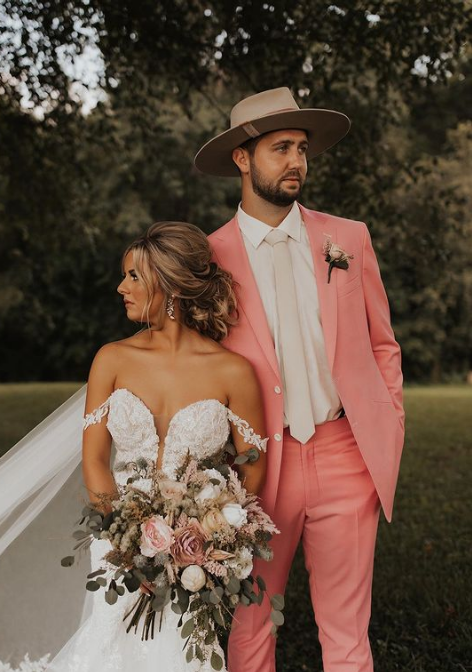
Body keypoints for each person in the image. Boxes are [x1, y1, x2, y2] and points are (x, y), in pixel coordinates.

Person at [0, 221, 268, 672]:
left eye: (133, 276)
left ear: (169, 283)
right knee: (111, 642)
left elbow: (252, 469)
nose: (121, 287)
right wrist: (129, 542)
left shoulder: (233, 372)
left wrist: (210, 532)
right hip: (119, 538)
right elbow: (95, 459)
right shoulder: (112, 360)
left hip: (197, 555)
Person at [195, 87, 405, 672]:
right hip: (255, 468)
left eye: (303, 149)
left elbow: (384, 343)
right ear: (242, 157)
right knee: (250, 624)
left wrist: (388, 426)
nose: (297, 162)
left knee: (348, 634)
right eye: (280, 148)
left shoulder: (349, 238)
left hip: (345, 456)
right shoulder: (207, 260)